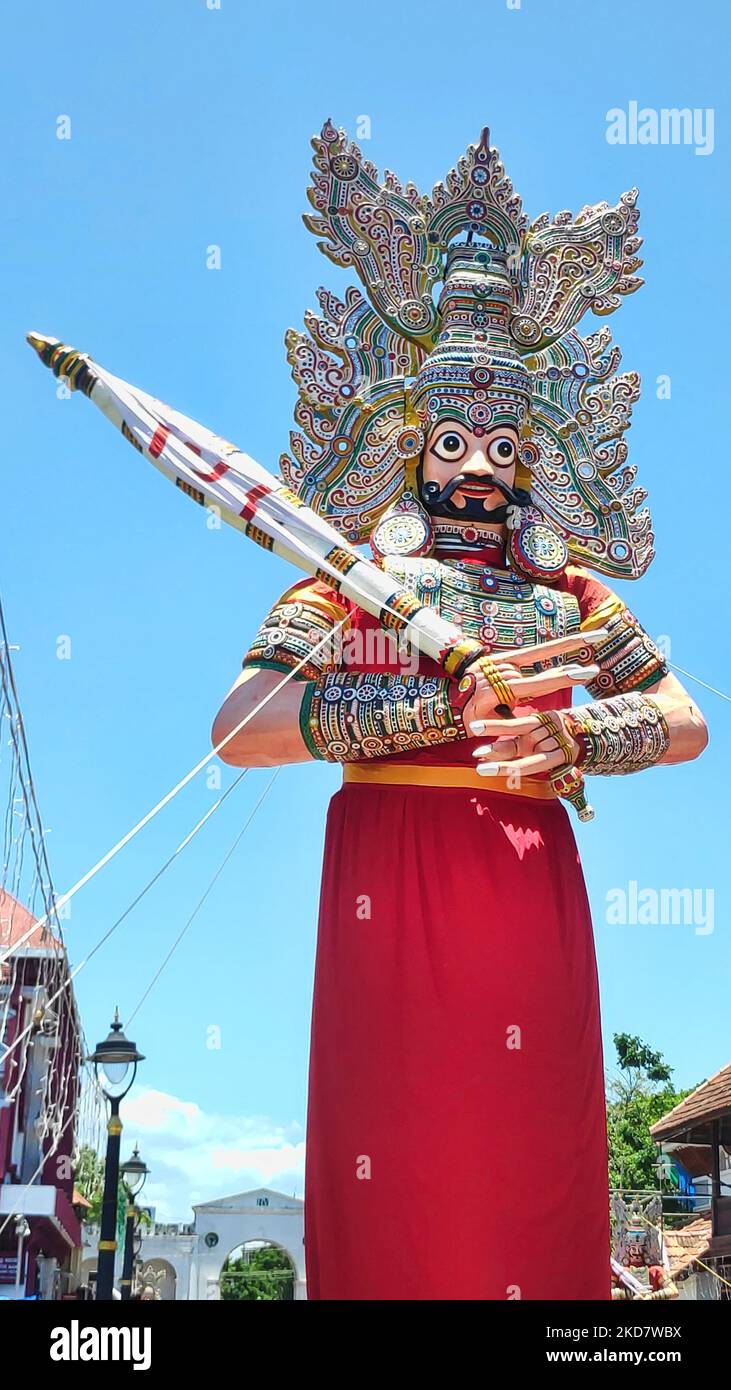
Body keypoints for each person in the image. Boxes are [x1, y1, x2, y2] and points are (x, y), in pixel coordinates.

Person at [212, 122, 707, 1300]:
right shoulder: (347, 580)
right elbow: (240, 724)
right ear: (411, 446)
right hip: (391, 881)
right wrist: (409, 714)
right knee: (396, 1175)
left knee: (527, 1171)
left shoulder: (565, 592)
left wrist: (579, 733)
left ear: (534, 456)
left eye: (501, 443)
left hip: (527, 880)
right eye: (451, 439)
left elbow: (685, 717)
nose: (476, 465)